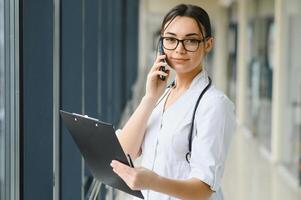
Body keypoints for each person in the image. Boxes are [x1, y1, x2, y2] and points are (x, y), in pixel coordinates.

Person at [110, 4, 236, 200]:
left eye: (191, 41)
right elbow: (124, 153)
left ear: (208, 44)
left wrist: (152, 182)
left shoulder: (214, 105)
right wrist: (149, 98)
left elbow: (204, 188)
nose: (179, 49)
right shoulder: (160, 96)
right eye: (170, 39)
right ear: (161, 44)